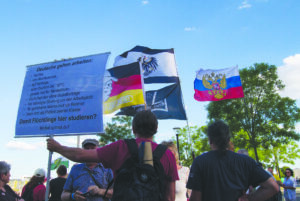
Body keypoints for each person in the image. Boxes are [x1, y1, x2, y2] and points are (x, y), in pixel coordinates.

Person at [47, 110, 179, 201]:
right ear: (156, 129)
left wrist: (58, 147)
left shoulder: (121, 147)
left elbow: (81, 156)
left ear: (133, 129)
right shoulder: (167, 154)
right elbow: (169, 197)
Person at [186, 120, 279, 201]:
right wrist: (250, 198)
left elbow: (196, 198)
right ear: (228, 140)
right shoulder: (246, 161)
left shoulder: (200, 161)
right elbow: (272, 187)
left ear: (210, 140)